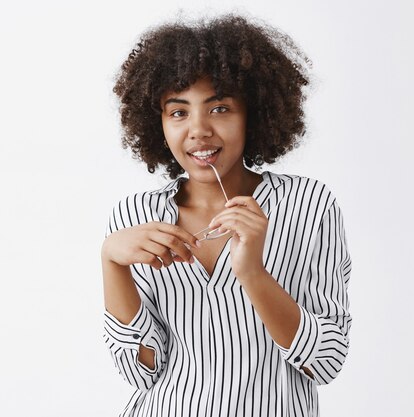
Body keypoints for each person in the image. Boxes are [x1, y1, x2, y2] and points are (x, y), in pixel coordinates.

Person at [101, 13, 352, 417]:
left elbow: (325, 362)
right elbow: (140, 371)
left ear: (254, 112)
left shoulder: (309, 204)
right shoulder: (136, 216)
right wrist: (111, 263)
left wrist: (253, 272)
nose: (198, 130)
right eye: (178, 112)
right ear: (157, 122)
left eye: (219, 108)